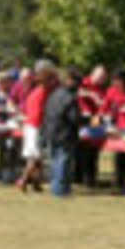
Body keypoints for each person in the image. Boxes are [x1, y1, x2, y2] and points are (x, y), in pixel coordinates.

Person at [17, 60, 58, 192]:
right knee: (34, 156)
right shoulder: (42, 91)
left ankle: (36, 183)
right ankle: (23, 180)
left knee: (37, 156)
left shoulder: (36, 91)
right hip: (35, 125)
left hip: (33, 125)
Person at [43, 67, 82, 197]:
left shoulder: (54, 94)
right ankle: (61, 190)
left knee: (55, 161)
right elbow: (74, 118)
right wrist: (85, 120)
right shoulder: (70, 97)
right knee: (63, 162)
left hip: (51, 132)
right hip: (65, 133)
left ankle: (56, 187)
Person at [77, 65, 107, 187]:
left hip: (94, 119)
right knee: (83, 150)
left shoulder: (101, 88)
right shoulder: (85, 82)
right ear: (93, 74)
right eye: (100, 77)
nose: (101, 80)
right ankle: (81, 177)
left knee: (93, 150)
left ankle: (91, 178)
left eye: (103, 78)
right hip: (82, 118)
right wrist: (91, 95)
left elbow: (103, 104)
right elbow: (77, 91)